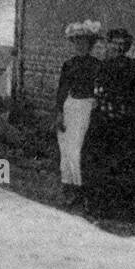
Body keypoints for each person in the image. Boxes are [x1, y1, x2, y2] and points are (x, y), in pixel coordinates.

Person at [89, 28, 135, 216]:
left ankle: (119, 206)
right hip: (108, 119)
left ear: (128, 46)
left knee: (122, 162)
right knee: (108, 161)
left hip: (127, 121)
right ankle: (105, 205)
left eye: (122, 43)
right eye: (115, 42)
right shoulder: (103, 66)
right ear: (110, 44)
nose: (119, 46)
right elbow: (97, 92)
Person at [54, 20, 102, 209]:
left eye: (84, 41)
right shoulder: (69, 64)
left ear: (90, 44)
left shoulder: (96, 65)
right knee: (65, 149)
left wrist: (96, 101)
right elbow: (62, 89)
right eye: (77, 41)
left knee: (77, 151)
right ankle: (69, 189)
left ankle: (81, 191)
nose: (80, 44)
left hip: (86, 107)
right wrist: (59, 112)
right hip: (70, 106)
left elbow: (99, 88)